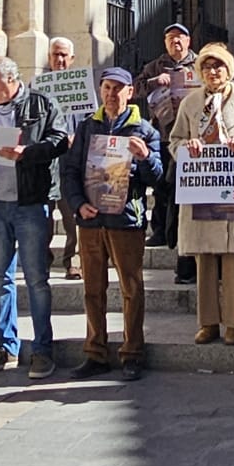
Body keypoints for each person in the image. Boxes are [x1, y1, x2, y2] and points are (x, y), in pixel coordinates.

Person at [0, 54, 69, 380]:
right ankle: (6, 345)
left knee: (37, 280)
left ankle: (43, 349)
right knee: (1, 279)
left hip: (31, 203)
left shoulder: (41, 104)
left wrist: (27, 153)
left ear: (9, 79)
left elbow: (59, 141)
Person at [61, 67, 163, 380]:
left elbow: (158, 178)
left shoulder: (145, 130)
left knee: (131, 288)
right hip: (91, 222)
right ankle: (95, 352)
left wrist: (145, 158)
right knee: (93, 289)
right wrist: (79, 204)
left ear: (130, 92)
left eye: (118, 88)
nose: (111, 94)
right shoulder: (87, 126)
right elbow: (69, 171)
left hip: (125, 221)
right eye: (107, 88)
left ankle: (133, 353)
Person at [169, 43, 234, 344]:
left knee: (232, 260)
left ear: (228, 69)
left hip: (231, 186)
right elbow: (175, 139)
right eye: (206, 67)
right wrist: (186, 147)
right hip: (201, 187)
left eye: (218, 66)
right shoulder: (190, 103)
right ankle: (208, 322)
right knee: (204, 259)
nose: (212, 72)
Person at [138, 24, 198, 258]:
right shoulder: (155, 65)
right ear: (165, 43)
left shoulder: (199, 64)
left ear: (188, 41)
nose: (176, 42)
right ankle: (160, 230)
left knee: (185, 185)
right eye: (171, 38)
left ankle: (182, 230)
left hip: (193, 137)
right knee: (162, 185)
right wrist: (154, 81)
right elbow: (135, 88)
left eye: (179, 38)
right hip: (164, 134)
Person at [45, 36, 83, 280]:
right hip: (46, 164)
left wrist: (76, 137)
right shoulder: (38, 87)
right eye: (55, 54)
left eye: (63, 55)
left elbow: (91, 122)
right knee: (43, 218)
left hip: (71, 163)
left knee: (73, 218)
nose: (59, 59)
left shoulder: (81, 87)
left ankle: (74, 261)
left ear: (72, 59)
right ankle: (43, 260)